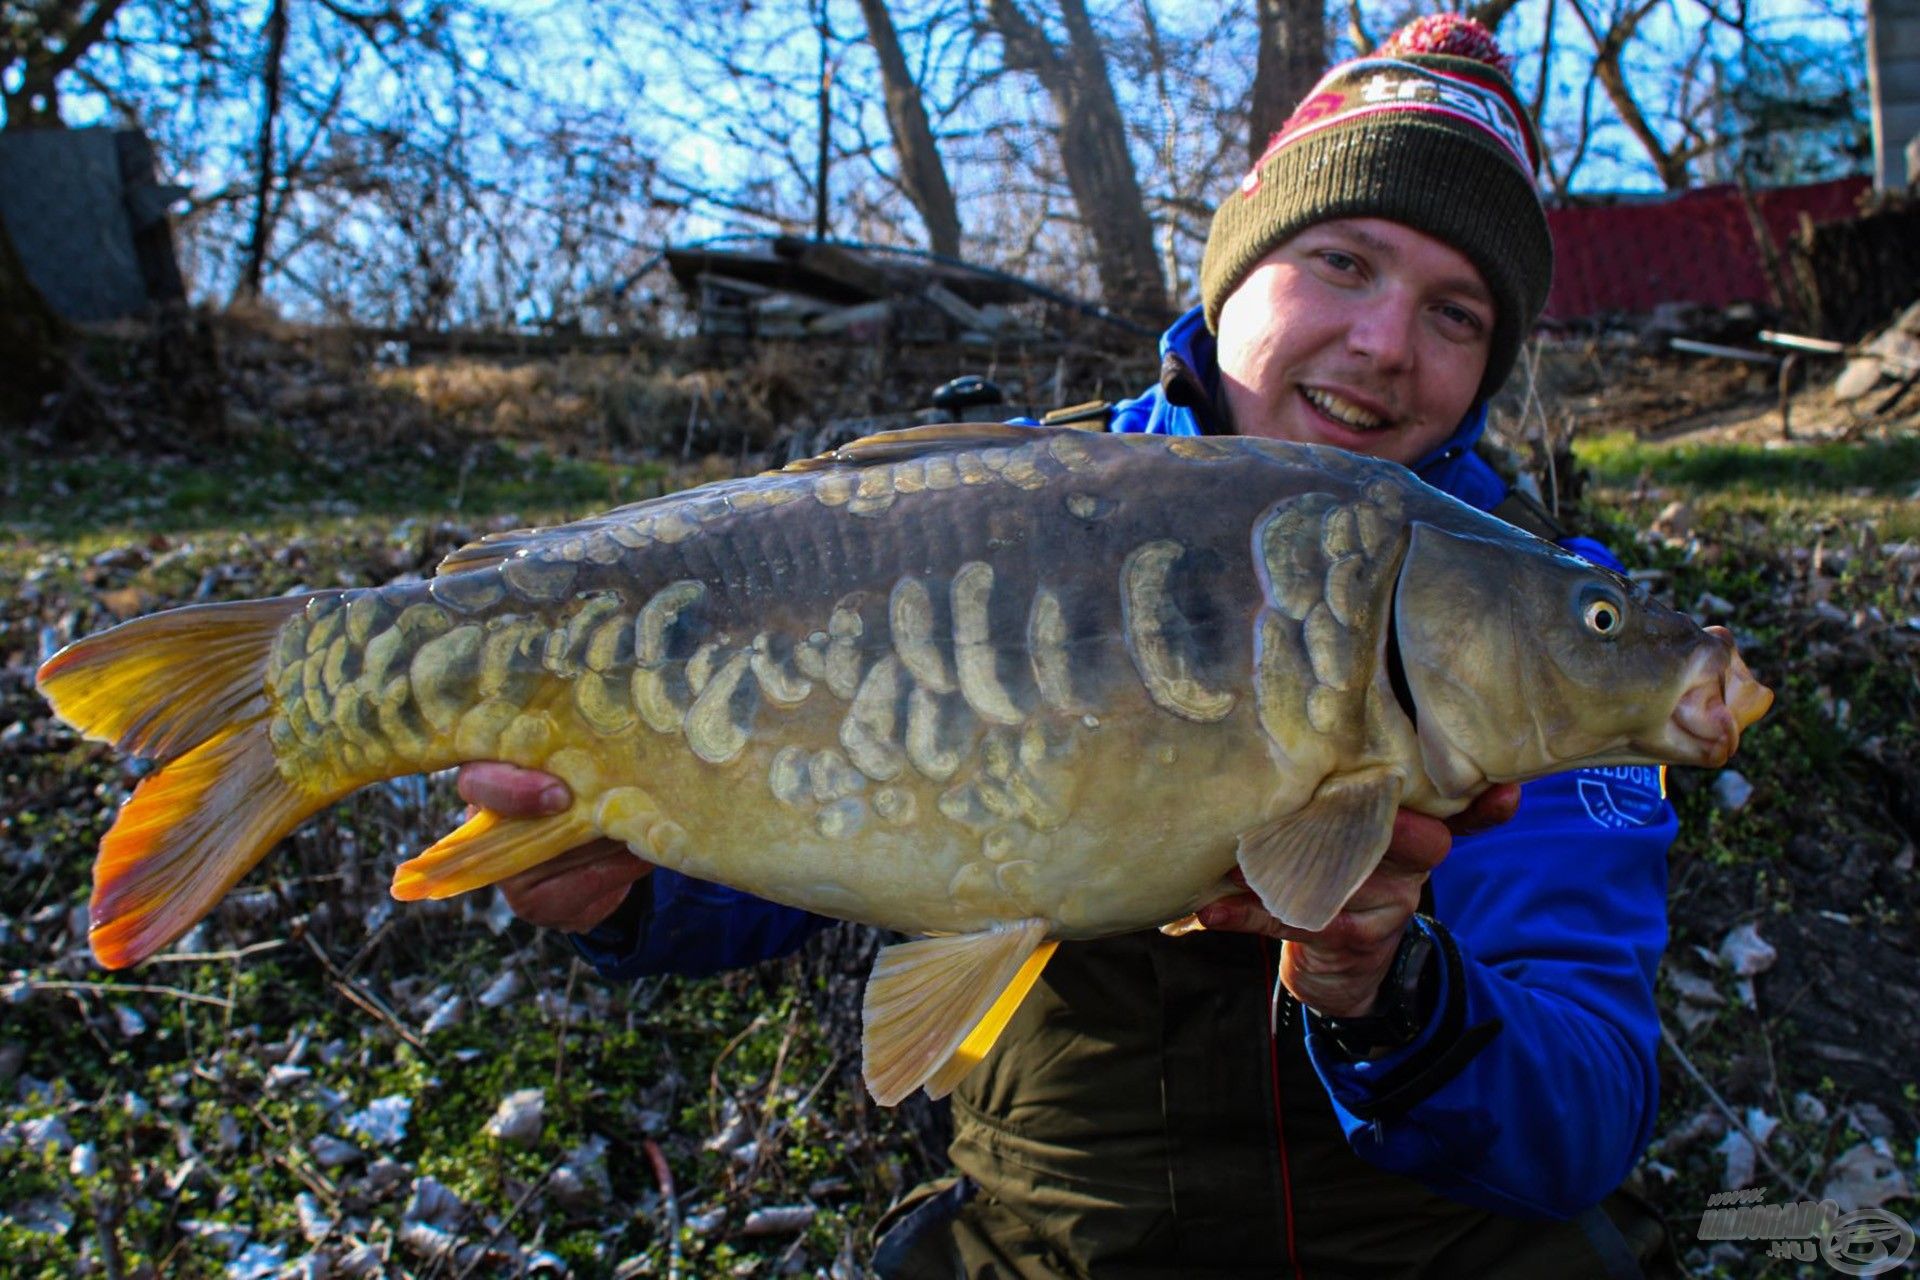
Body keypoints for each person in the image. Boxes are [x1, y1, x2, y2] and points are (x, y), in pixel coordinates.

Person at [460, 16, 1683, 1277]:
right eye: (1343, 260)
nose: (1384, 343)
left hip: (1448, 1248)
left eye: (1455, 312)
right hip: (1066, 1242)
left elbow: (1586, 1103)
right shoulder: (1009, 503)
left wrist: (1393, 986)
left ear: (1485, 367)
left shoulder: (1548, 623)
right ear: (1238, 268)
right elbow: (772, 840)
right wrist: (621, 870)